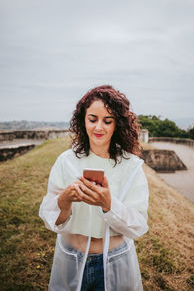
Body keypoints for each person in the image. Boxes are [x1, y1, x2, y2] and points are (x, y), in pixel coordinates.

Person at [39, 85, 149, 291]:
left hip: (115, 263)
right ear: (83, 120)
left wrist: (108, 205)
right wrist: (64, 200)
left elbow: (138, 225)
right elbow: (49, 216)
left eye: (107, 121)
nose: (99, 127)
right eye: (92, 119)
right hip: (71, 259)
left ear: (118, 124)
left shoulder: (132, 167)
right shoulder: (66, 161)